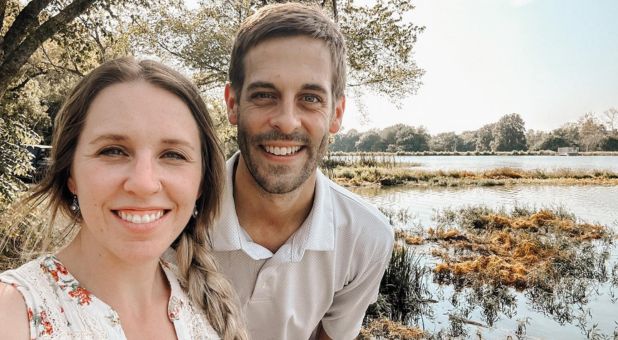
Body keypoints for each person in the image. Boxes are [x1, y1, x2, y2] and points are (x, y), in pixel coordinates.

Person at [0, 57, 246, 340]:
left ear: (201, 182)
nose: (143, 183)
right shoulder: (12, 315)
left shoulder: (208, 307)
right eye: (113, 151)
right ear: (70, 172)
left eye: (172, 155)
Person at [214, 3, 394, 339]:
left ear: (336, 113)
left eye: (310, 98)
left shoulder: (367, 237)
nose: (286, 121)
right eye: (265, 95)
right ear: (233, 104)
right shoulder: (176, 219)